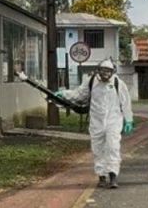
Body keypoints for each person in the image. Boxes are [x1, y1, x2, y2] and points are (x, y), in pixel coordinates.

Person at [57, 59, 133, 188]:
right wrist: (63, 94)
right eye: (103, 70)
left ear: (113, 72)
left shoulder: (118, 83)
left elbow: (125, 103)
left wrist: (128, 119)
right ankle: (101, 176)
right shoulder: (91, 82)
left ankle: (113, 175)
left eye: (108, 71)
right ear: (99, 70)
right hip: (96, 121)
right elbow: (79, 95)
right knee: (98, 149)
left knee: (113, 147)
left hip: (113, 121)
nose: (106, 73)